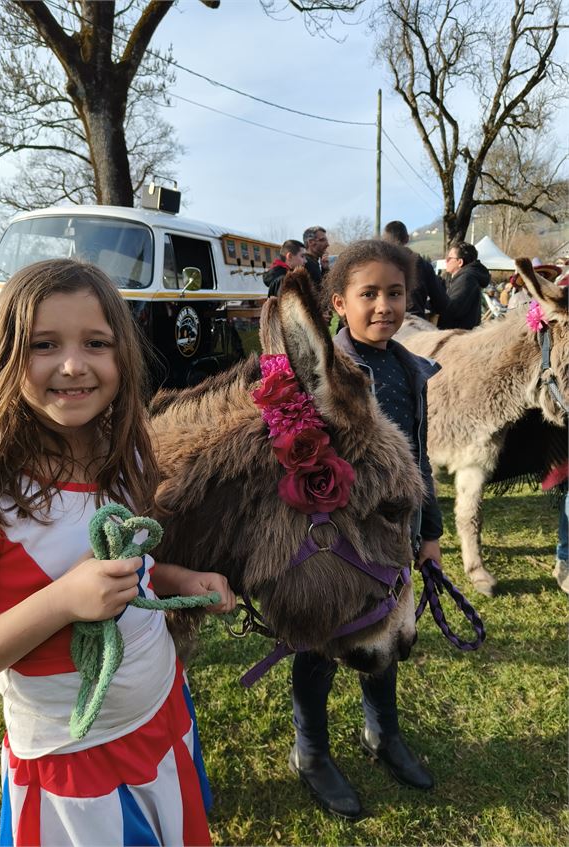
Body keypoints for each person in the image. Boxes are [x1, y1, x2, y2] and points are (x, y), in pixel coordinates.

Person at [0, 258, 236, 846]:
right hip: (73, 763)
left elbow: (130, 569)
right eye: (44, 344)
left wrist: (175, 578)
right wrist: (60, 603)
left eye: (95, 343)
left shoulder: (126, 457)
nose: (73, 365)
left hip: (161, 711)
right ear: (4, 356)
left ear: (122, 354)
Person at [288, 239, 443, 820]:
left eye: (396, 293)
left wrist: (429, 533)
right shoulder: (321, 372)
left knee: (387, 639)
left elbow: (420, 458)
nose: (385, 306)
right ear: (338, 303)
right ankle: (311, 751)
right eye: (369, 293)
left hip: (393, 540)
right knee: (322, 646)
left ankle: (383, 733)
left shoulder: (410, 370)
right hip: (333, 543)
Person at [382, 220, 449, 320]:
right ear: (407, 239)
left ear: (384, 241)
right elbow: (441, 303)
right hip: (414, 324)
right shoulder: (423, 265)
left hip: (384, 323)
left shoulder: (377, 265)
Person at [437, 242, 491, 329]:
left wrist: (433, 303)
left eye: (449, 258)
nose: (446, 261)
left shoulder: (466, 279)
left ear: (460, 262)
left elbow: (453, 309)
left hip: (458, 335)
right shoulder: (465, 277)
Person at [302, 225, 330, 293]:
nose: (327, 244)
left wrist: (325, 269)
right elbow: (321, 294)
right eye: (322, 240)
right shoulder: (306, 263)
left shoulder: (314, 262)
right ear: (311, 242)